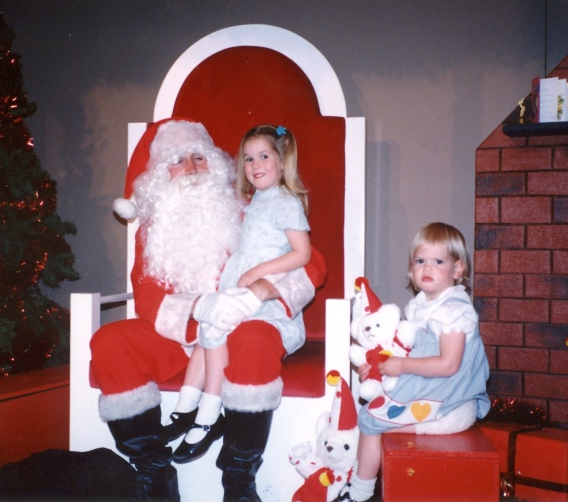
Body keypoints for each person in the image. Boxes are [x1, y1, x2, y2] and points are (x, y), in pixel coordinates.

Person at [91, 118, 326, 501]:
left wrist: (263, 290)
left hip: (243, 332)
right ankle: (154, 474)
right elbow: (148, 300)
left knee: (251, 337)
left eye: (199, 156)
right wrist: (202, 306)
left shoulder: (250, 211)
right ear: (157, 177)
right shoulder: (154, 232)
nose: (192, 167)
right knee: (109, 341)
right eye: (178, 159)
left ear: (215, 164)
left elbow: (312, 262)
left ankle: (238, 480)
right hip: (182, 338)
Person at [169, 125, 311, 463]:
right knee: (208, 327)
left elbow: (302, 254)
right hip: (240, 286)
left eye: (264, 156)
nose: (255, 164)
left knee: (215, 325)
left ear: (281, 161)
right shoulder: (256, 200)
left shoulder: (286, 203)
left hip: (267, 302)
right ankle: (184, 410)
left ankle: (208, 413)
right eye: (248, 158)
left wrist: (258, 272)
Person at [340, 222, 490, 502]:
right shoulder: (422, 305)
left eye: (438, 261)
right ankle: (356, 481)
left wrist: (401, 366)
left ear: (457, 270)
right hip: (433, 391)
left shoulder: (454, 311)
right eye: (420, 261)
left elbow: (448, 365)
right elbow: (405, 351)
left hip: (450, 405)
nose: (427, 268)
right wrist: (378, 369)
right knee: (373, 408)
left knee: (370, 421)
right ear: (411, 270)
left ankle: (359, 495)